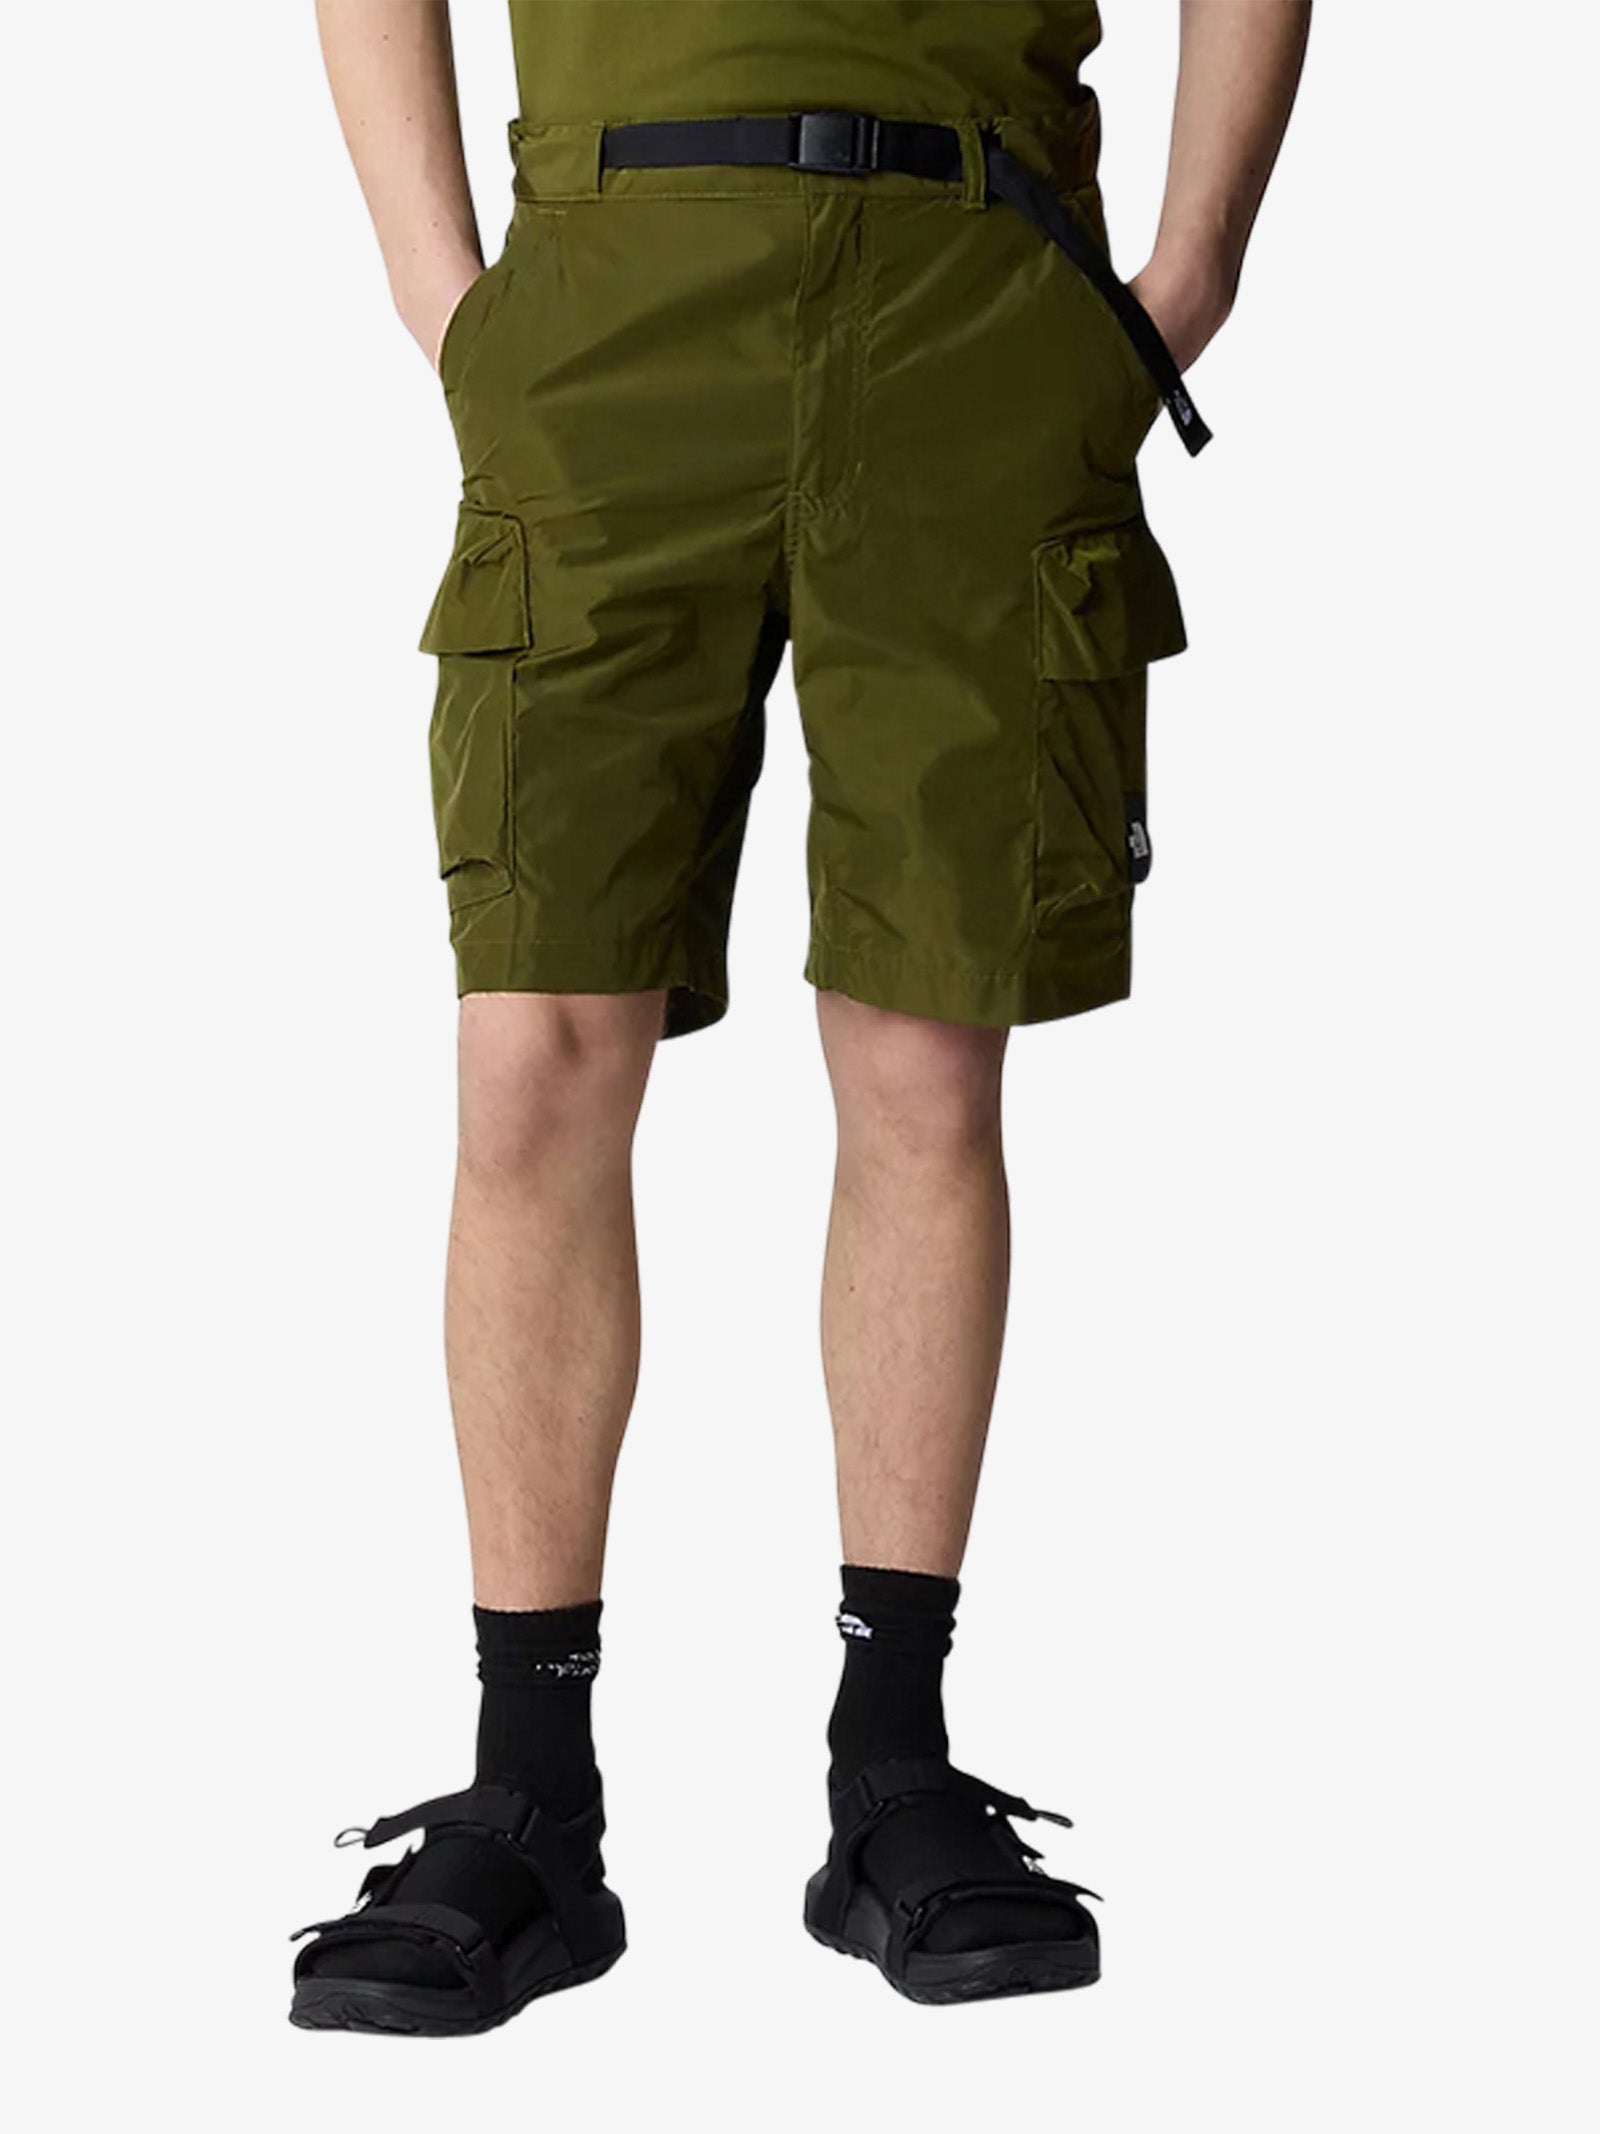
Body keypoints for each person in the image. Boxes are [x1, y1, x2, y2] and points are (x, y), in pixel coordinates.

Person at [292, 0, 1310, 2032]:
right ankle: (528, 1794)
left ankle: (891, 1768)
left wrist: (1190, 263)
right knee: (532, 1048)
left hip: (973, 285)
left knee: (925, 1048)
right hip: (610, 293)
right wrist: (439, 285)